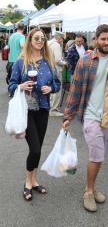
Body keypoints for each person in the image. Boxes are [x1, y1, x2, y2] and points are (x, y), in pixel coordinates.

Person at [62, 24, 108, 212]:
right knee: (96, 155)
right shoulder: (86, 61)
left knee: (101, 156)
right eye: (103, 39)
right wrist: (68, 116)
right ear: (96, 39)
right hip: (90, 115)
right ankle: (88, 191)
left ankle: (92, 186)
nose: (106, 42)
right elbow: (75, 90)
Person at [8, 28, 60, 201]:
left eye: (42, 38)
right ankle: (27, 183)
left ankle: (34, 180)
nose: (40, 41)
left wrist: (50, 88)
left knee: (37, 149)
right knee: (36, 149)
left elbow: (57, 84)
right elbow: (11, 84)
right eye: (36, 38)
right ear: (30, 40)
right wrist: (20, 87)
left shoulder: (48, 62)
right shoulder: (21, 62)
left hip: (43, 109)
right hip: (26, 111)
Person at [48, 31, 67, 117]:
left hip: (49, 68)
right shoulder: (56, 45)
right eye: (62, 39)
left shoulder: (49, 43)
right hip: (56, 69)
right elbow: (58, 60)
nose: (63, 41)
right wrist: (65, 63)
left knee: (51, 88)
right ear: (59, 37)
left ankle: (50, 107)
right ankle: (54, 109)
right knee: (57, 89)